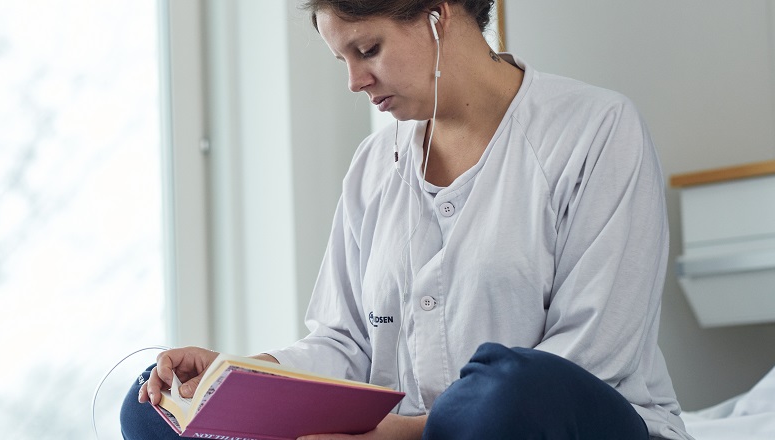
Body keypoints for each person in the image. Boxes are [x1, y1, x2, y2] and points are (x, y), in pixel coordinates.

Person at [121, 0, 694, 439]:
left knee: (513, 388)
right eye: (341, 59)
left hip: (560, 422)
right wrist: (237, 376)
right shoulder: (374, 166)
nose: (354, 81)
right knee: (156, 410)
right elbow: (344, 344)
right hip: (407, 431)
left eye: (367, 50)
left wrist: (409, 434)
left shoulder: (595, 130)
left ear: (439, 17)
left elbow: (590, 362)